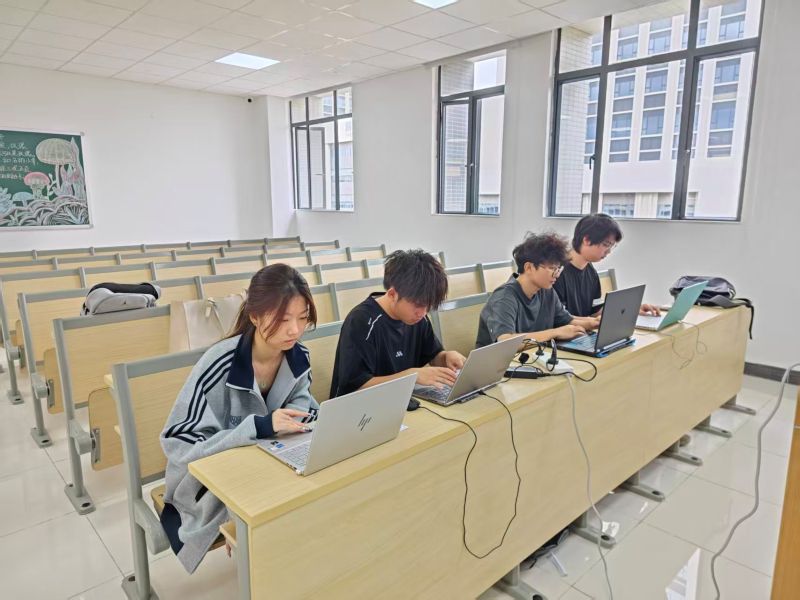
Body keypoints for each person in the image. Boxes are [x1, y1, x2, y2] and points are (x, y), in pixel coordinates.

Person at [160, 264, 319, 573]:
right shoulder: (218, 363)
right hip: (209, 477)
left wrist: (298, 421)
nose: (295, 330)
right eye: (283, 319)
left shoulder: (299, 355)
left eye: (302, 318)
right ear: (255, 316)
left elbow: (303, 407)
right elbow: (179, 444)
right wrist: (259, 427)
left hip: (267, 461)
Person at [330, 249, 466, 398]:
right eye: (418, 305)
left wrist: (445, 357)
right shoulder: (361, 322)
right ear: (392, 294)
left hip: (402, 400)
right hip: (361, 406)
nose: (422, 313)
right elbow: (355, 388)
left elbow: (432, 355)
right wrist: (411, 376)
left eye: (428, 306)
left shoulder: (419, 318)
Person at [476, 232, 599, 347]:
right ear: (529, 267)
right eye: (552, 268)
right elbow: (505, 341)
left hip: (532, 357)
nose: (557, 275)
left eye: (558, 269)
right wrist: (555, 332)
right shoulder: (504, 297)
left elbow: (567, 320)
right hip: (500, 362)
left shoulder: (547, 291)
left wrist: (592, 323)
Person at [553, 213, 660, 317]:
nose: (608, 252)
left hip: (585, 328)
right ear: (587, 240)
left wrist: (633, 309)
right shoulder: (556, 273)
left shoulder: (590, 271)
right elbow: (559, 319)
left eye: (612, 246)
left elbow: (594, 312)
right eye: (606, 245)